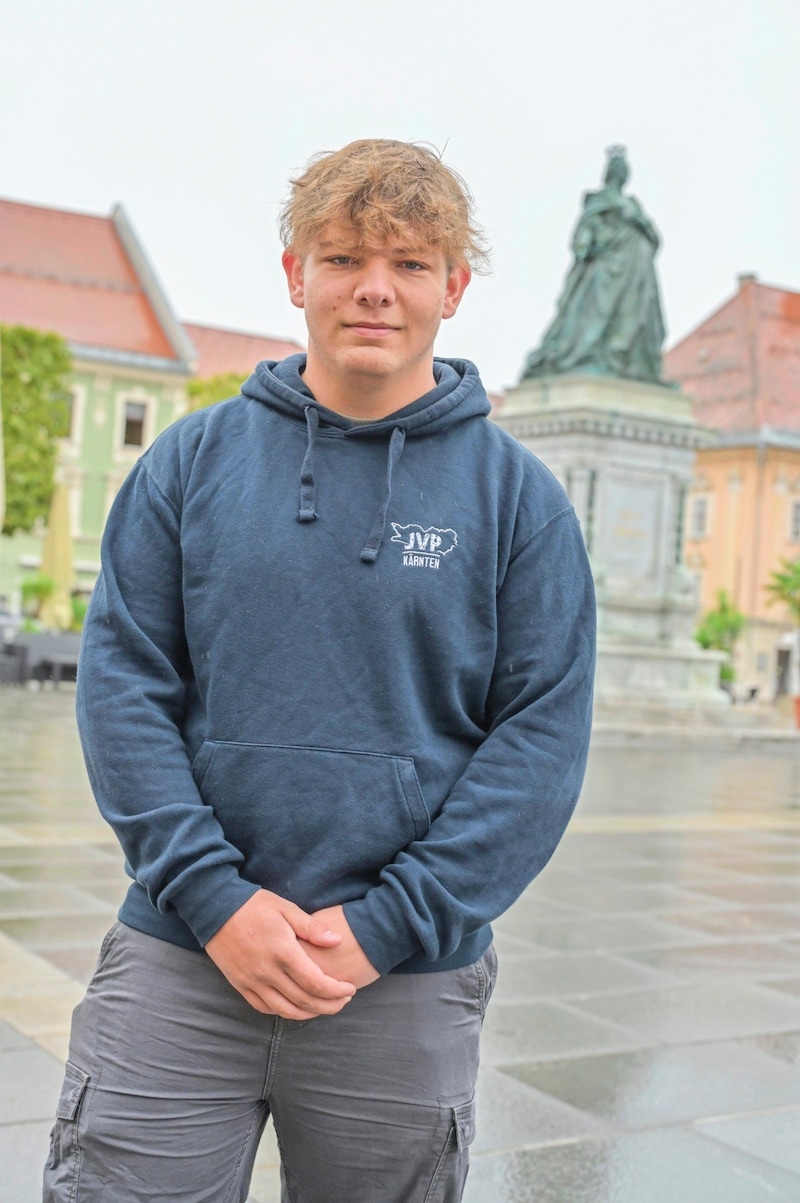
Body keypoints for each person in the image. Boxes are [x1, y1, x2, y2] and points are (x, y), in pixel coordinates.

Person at [44, 139, 596, 1203]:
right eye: (341, 258)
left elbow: (537, 740)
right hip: (180, 960)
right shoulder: (187, 465)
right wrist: (212, 898)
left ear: (454, 288)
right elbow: (124, 687)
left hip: (397, 978)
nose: (373, 288)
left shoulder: (517, 502)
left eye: (408, 262)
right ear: (295, 276)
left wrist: (387, 924)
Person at [522, 145, 666, 383]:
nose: (622, 175)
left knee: (632, 315)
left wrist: (637, 220)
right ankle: (591, 356)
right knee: (597, 312)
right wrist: (584, 246)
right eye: (618, 170)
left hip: (636, 271)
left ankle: (620, 359)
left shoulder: (633, 204)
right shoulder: (599, 200)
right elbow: (585, 231)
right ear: (610, 173)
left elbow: (654, 237)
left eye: (624, 171)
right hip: (607, 266)